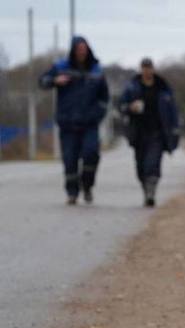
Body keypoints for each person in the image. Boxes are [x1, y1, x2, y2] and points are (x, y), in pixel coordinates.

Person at [39, 36, 109, 205]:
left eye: (84, 48)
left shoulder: (97, 71)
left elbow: (104, 98)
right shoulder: (61, 67)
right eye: (78, 49)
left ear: (88, 49)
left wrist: (97, 114)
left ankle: (87, 185)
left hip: (89, 123)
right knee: (69, 159)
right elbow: (42, 81)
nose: (81, 52)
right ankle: (72, 192)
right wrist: (55, 81)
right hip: (67, 122)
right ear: (73, 51)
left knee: (91, 153)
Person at [119, 58, 180, 207]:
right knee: (141, 166)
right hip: (139, 132)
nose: (147, 70)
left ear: (153, 69)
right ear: (141, 69)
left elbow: (172, 110)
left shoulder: (162, 87)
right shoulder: (132, 88)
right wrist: (130, 108)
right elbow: (121, 106)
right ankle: (146, 188)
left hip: (158, 132)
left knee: (153, 163)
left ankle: (151, 192)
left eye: (149, 67)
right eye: (144, 68)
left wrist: (175, 129)